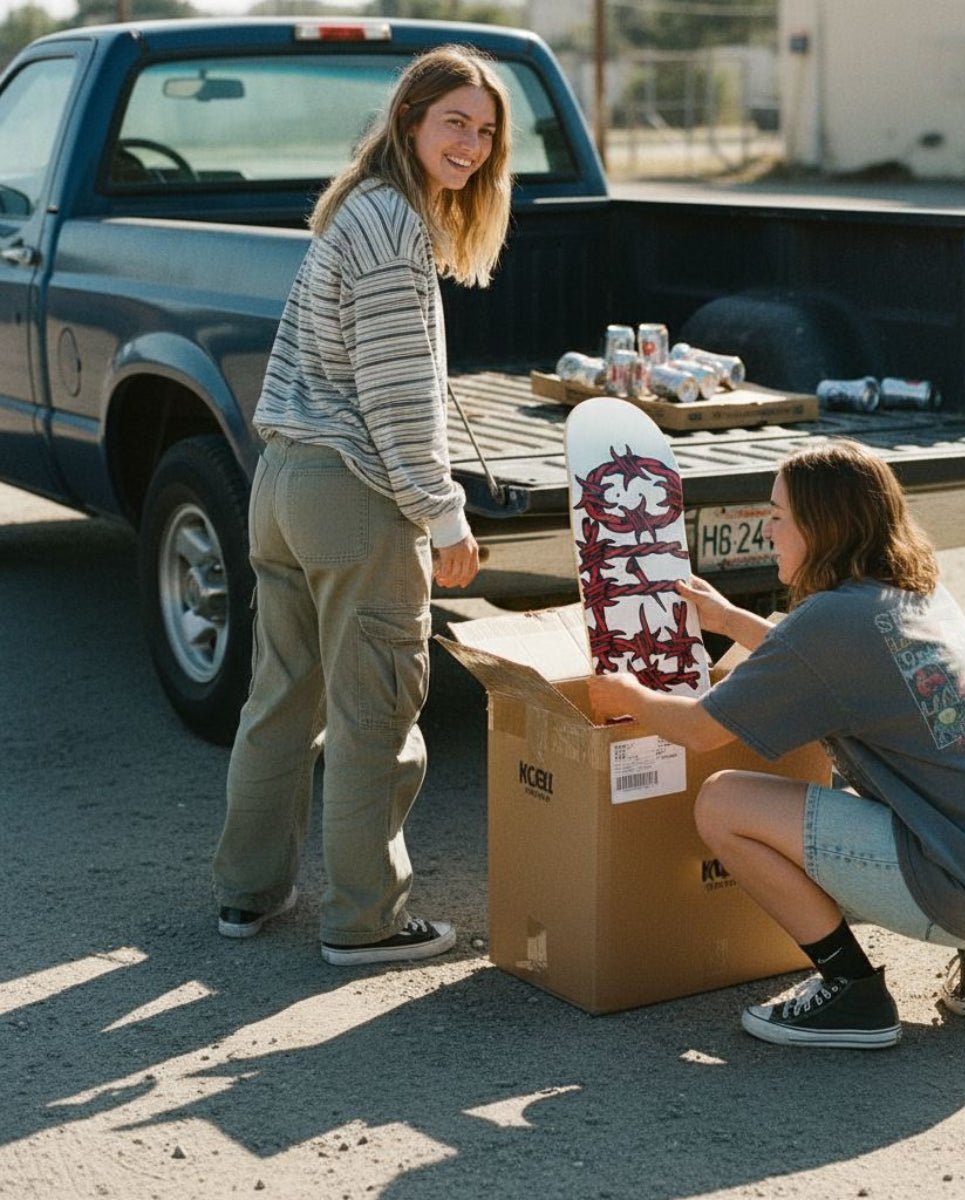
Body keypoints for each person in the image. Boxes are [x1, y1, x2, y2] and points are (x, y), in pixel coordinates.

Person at [588, 440, 965, 1049]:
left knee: (723, 804)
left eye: (779, 515)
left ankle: (853, 992)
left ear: (822, 527)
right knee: (911, 776)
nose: (769, 529)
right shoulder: (912, 595)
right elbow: (817, 661)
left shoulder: (833, 622)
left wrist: (624, 694)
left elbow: (697, 730)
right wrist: (733, 621)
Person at [212, 46, 512, 966]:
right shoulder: (390, 225)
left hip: (284, 482)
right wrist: (445, 514)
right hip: (352, 493)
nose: (471, 144)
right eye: (455, 122)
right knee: (377, 708)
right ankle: (365, 920)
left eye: (487, 131)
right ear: (410, 118)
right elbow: (396, 397)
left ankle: (247, 894)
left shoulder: (360, 210)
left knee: (281, 699)